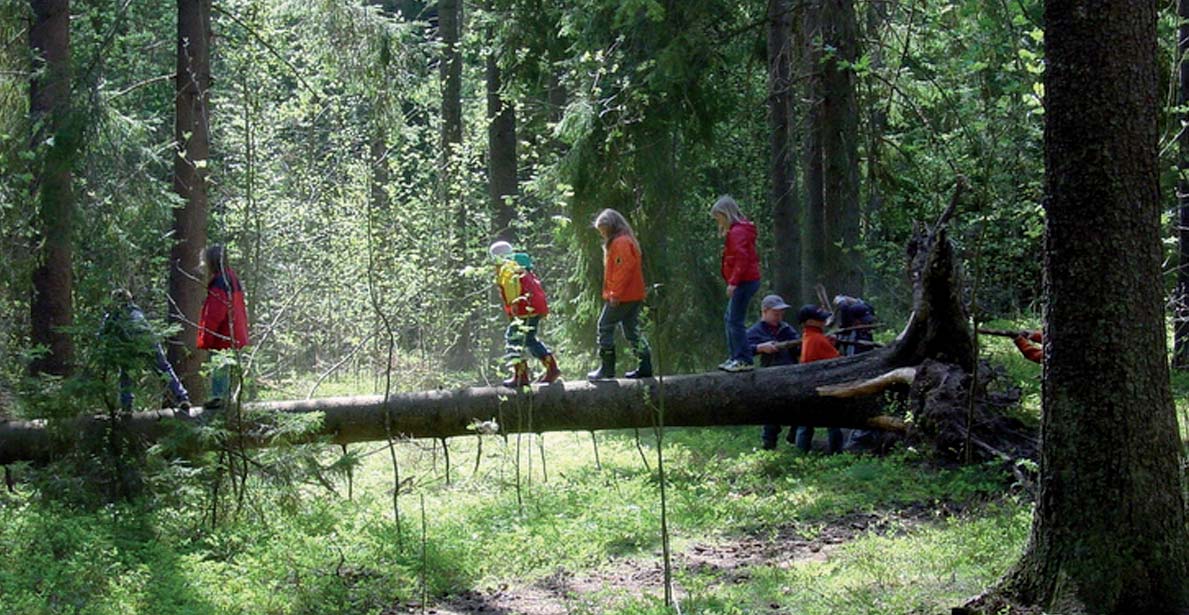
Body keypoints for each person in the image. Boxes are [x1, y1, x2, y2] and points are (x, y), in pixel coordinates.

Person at [99, 288, 191, 415]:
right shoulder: (137, 311)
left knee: (126, 372)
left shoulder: (114, 315)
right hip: (149, 340)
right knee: (164, 368)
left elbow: (101, 336)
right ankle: (182, 397)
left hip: (130, 344)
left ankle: (127, 406)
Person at [588, 209, 652, 380]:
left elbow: (623, 270)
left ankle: (607, 369)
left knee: (605, 325)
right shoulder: (623, 240)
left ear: (611, 227)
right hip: (633, 294)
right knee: (631, 330)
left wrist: (615, 293)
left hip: (624, 295)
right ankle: (645, 366)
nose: (601, 234)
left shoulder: (621, 242)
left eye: (603, 230)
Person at [490, 241, 561, 387]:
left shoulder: (508, 267)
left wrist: (514, 303)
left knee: (513, 339)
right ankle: (551, 368)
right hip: (534, 306)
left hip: (525, 307)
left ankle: (521, 375)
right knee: (529, 339)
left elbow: (512, 285)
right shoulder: (520, 266)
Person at [712, 195, 762, 372]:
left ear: (726, 214)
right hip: (744, 281)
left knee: (735, 321)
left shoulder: (737, 232)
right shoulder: (737, 231)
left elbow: (742, 259)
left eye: (718, 217)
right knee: (730, 319)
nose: (718, 221)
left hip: (744, 281)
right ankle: (735, 357)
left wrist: (733, 282)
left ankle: (743, 359)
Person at [197, 244, 250, 407]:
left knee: (220, 365)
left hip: (224, 334)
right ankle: (223, 399)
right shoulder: (231, 278)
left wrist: (206, 337)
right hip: (233, 332)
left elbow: (214, 314)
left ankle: (219, 399)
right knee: (224, 367)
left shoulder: (221, 282)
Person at [747, 294, 800, 450]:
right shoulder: (755, 331)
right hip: (769, 377)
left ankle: (794, 438)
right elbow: (741, 350)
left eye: (781, 313)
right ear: (764, 311)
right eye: (776, 313)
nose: (779, 316)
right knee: (772, 415)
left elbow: (798, 345)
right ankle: (768, 448)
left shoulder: (786, 328)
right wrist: (759, 348)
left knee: (798, 409)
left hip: (791, 375)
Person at [794, 304, 843, 454]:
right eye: (819, 319)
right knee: (832, 422)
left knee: (806, 424)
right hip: (821, 387)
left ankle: (801, 455)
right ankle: (836, 454)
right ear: (809, 322)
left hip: (808, 385)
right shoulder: (816, 339)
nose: (823, 321)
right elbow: (838, 361)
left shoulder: (810, 337)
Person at [833, 295, 880, 452]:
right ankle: (853, 443)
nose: (868, 323)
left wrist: (849, 299)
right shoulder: (849, 332)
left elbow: (868, 307)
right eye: (864, 320)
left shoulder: (865, 331)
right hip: (854, 376)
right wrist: (842, 303)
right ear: (855, 321)